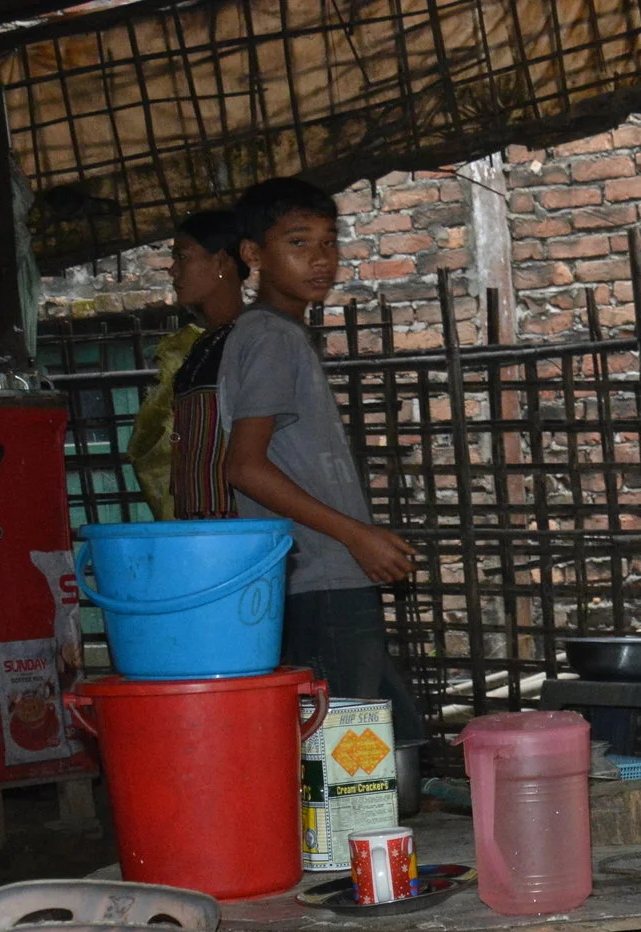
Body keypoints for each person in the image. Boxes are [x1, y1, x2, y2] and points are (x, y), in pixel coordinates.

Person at [220, 176, 423, 742]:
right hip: (319, 575)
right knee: (341, 759)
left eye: (330, 242)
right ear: (253, 254)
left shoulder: (279, 334)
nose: (321, 259)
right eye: (299, 242)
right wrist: (356, 535)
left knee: (393, 744)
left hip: (322, 574)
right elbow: (245, 466)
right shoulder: (270, 338)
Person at [126, 210, 246, 519]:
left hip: (243, 531)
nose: (172, 270)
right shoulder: (199, 346)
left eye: (182, 257)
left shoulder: (254, 341)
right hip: (202, 532)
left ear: (220, 262)